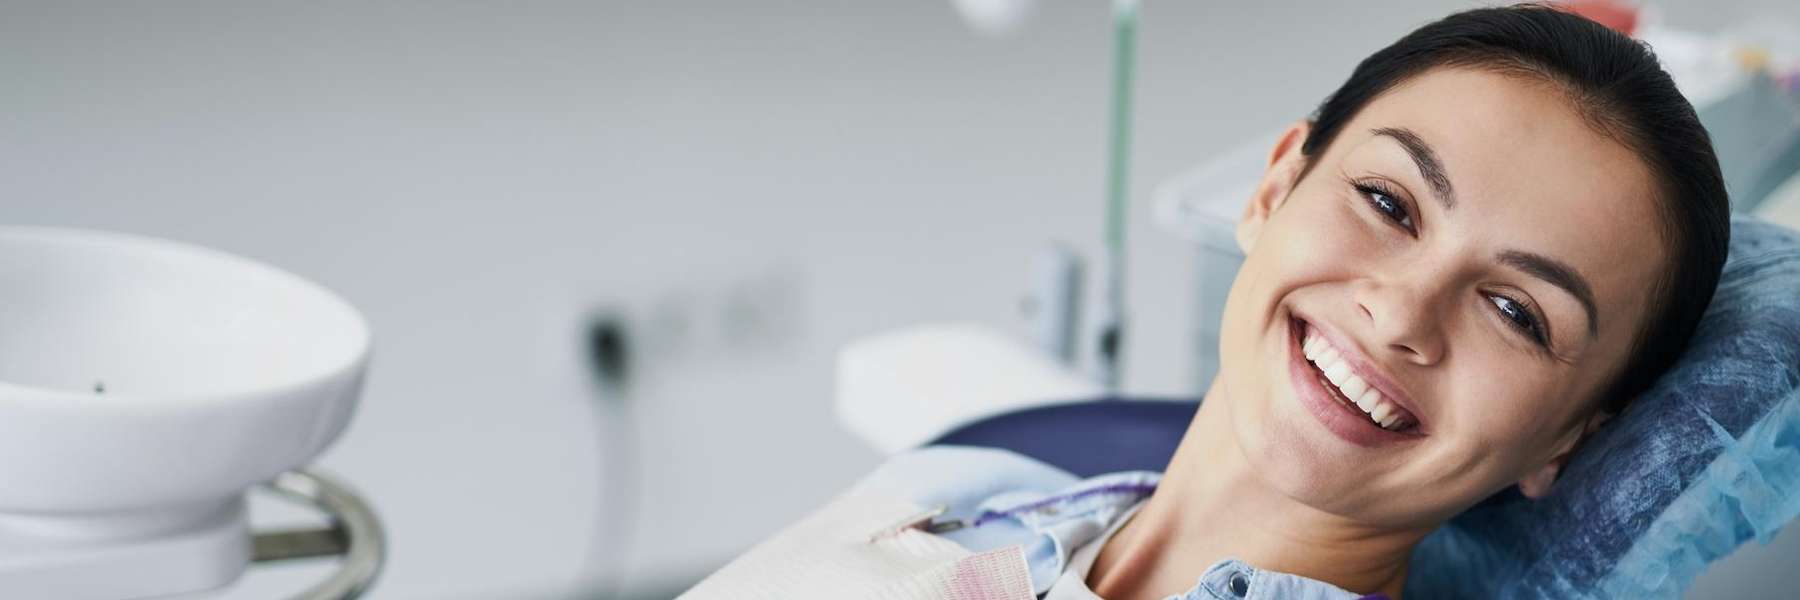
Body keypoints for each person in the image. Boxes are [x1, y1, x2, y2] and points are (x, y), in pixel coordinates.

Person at [685, 5, 1731, 599]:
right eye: (1387, 201)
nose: (1404, 314)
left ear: (1572, 441)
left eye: (1518, 312)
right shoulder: (989, 488)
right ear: (1274, 186)